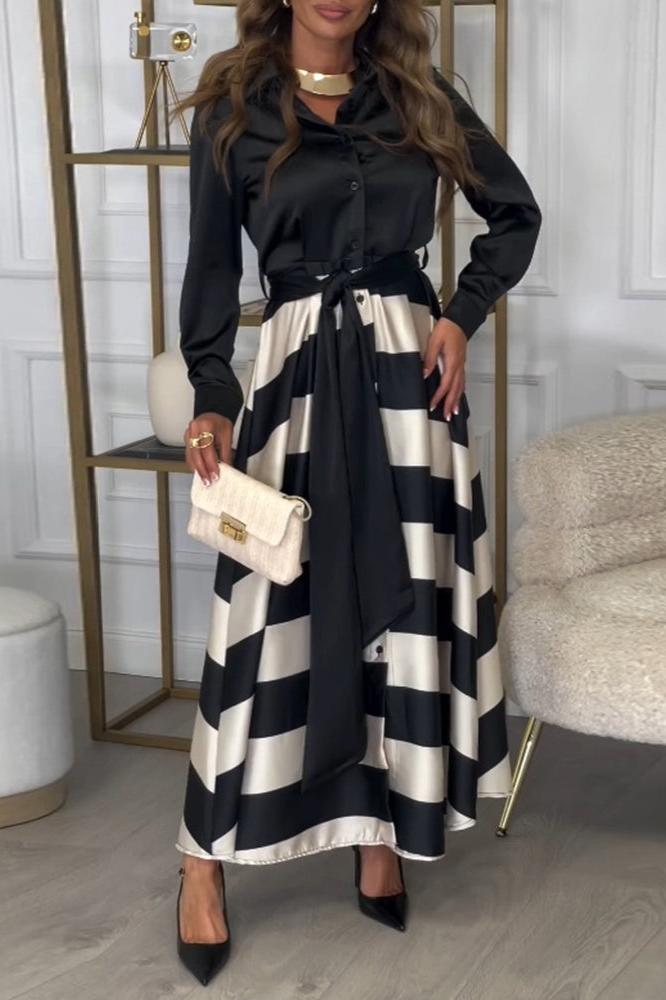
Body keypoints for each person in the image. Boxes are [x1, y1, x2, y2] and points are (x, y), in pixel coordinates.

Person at [173, 0, 542, 986]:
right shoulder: (233, 105)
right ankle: (201, 859)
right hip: (294, 382)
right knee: (261, 616)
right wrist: (211, 397)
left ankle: (381, 832)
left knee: (405, 610)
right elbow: (210, 269)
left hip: (410, 384)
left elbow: (516, 215)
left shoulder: (421, 96)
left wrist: (460, 314)